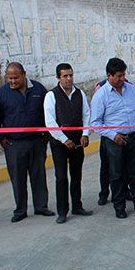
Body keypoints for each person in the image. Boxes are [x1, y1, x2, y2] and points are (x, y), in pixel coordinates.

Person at [0, 62, 54, 223]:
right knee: (18, 178)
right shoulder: (2, 93)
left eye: (15, 78)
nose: (12, 81)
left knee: (38, 175)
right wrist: (0, 138)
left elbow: (48, 112)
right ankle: (20, 210)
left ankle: (41, 206)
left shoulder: (38, 89)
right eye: (9, 78)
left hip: (37, 142)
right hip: (14, 144)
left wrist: (47, 133)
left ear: (24, 74)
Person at [90, 58, 135, 219]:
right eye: (118, 76)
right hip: (114, 141)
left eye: (123, 74)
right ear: (109, 75)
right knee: (116, 175)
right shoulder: (101, 95)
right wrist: (113, 135)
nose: (122, 79)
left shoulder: (131, 89)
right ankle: (119, 206)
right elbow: (95, 123)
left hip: (133, 137)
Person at [43, 63, 93, 224]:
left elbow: (86, 115)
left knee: (76, 175)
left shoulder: (80, 94)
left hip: (78, 141)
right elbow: (50, 122)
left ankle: (77, 205)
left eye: (71, 75)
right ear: (58, 77)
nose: (69, 79)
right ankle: (62, 211)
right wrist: (64, 139)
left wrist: (85, 134)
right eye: (65, 76)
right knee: (61, 177)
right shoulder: (51, 95)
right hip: (59, 143)